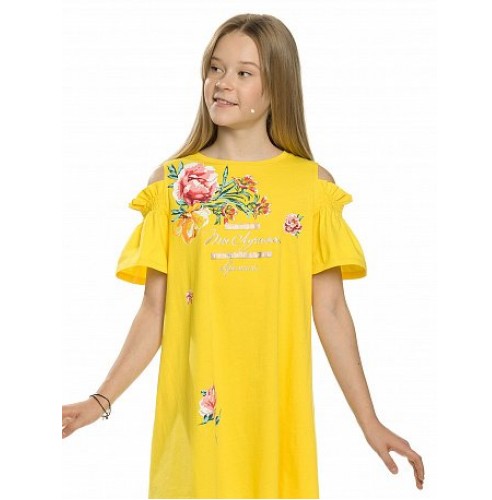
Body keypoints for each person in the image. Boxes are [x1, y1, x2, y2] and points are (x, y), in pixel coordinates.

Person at [62, 12, 425, 498]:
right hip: (198, 421)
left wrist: (369, 421)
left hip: (276, 417)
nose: (223, 83)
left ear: (278, 87)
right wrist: (101, 399)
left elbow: (332, 311)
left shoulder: (310, 188)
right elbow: (155, 310)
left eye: (243, 72)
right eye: (215, 68)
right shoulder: (174, 185)